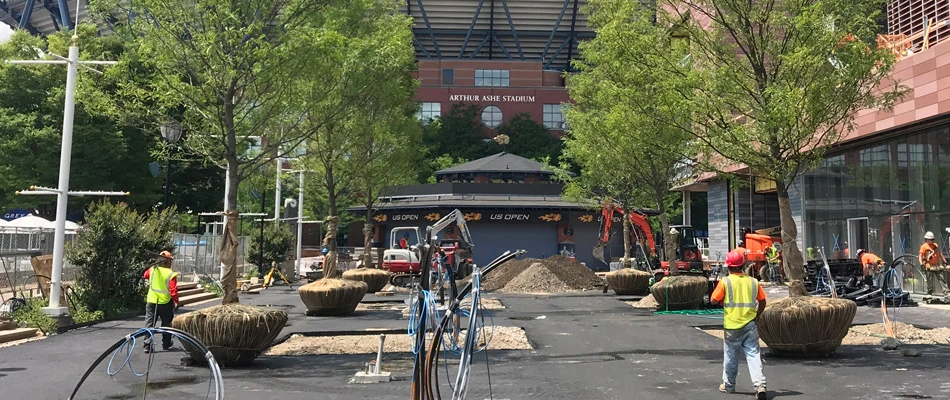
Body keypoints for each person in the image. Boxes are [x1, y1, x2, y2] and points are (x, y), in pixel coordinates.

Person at [710, 250, 767, 400]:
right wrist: (757, 315)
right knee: (753, 355)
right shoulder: (753, 282)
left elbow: (713, 300)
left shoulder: (725, 282)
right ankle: (760, 385)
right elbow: (762, 301)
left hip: (732, 326)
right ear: (743, 265)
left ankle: (728, 385)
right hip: (750, 324)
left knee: (730, 356)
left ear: (728, 267)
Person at [144, 250, 179, 353]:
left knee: (149, 324)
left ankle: (147, 345)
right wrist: (176, 301)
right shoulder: (170, 273)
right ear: (167, 262)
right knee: (166, 324)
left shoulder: (152, 269)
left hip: (151, 301)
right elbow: (173, 290)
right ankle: (166, 343)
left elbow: (145, 275)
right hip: (165, 302)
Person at [919, 231, 949, 296]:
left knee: (941, 279)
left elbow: (940, 254)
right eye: (931, 240)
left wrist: (945, 261)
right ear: (927, 239)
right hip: (929, 265)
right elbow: (920, 256)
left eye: (933, 239)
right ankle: (929, 293)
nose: (932, 241)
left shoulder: (935, 245)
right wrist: (921, 264)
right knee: (930, 280)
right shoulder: (924, 247)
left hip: (937, 265)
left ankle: (946, 292)